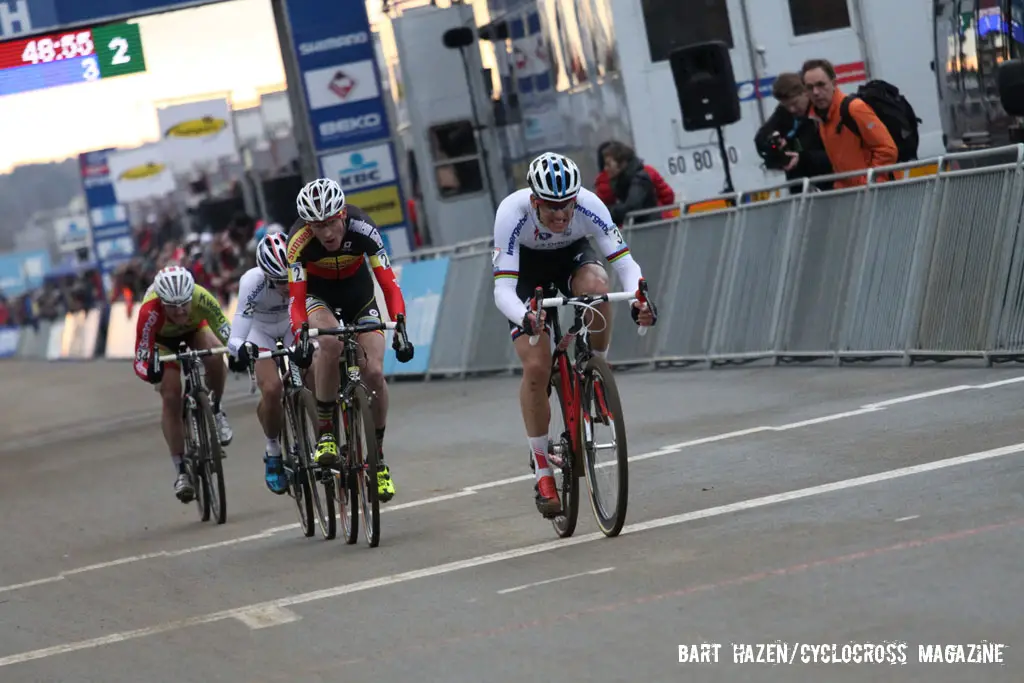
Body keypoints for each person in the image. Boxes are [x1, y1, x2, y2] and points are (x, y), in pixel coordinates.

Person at [491, 152, 658, 517]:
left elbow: (626, 266)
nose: (562, 215)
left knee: (597, 285)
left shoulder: (589, 205)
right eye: (551, 208)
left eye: (567, 205)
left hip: (571, 257)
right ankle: (542, 470)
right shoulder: (511, 213)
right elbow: (502, 291)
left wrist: (638, 301)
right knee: (536, 367)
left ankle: (596, 366)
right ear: (535, 201)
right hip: (526, 274)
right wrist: (527, 317)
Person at [286, 177, 413, 503]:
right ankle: (327, 433)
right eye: (317, 226)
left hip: (360, 297)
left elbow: (388, 285)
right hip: (318, 297)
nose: (326, 233)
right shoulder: (298, 242)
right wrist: (301, 332)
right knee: (329, 343)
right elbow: (297, 300)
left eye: (330, 223)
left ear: (342, 214)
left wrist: (400, 325)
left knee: (373, 373)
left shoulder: (364, 229)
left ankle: (378, 459)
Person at [133, 265, 234, 503]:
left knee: (216, 355)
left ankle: (216, 409)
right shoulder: (150, 311)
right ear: (162, 302)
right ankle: (180, 471)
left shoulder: (202, 297)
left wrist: (239, 353)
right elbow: (140, 359)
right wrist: (151, 372)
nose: (179, 312)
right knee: (171, 395)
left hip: (195, 330)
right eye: (172, 306)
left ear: (191, 296)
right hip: (162, 342)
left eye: (183, 305)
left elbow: (227, 333)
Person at [226, 233, 293, 495]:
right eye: (278, 282)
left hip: (290, 324)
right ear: (266, 276)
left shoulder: (302, 270)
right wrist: (240, 350)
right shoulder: (252, 282)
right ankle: (273, 450)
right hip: (260, 331)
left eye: (288, 279)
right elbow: (236, 335)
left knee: (314, 369)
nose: (286, 286)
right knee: (272, 389)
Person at [801, 58, 897, 189]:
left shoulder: (854, 108)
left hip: (875, 193)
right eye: (810, 87)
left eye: (821, 85)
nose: (816, 92)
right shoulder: (820, 118)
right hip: (852, 195)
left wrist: (869, 181)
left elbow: (887, 149)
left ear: (834, 83)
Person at [753, 72, 833, 192]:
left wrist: (802, 158)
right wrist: (774, 143)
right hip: (800, 186)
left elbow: (837, 155)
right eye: (786, 106)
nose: (792, 109)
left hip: (833, 182)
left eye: (795, 103)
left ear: (806, 93)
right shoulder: (784, 113)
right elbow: (762, 137)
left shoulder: (824, 110)